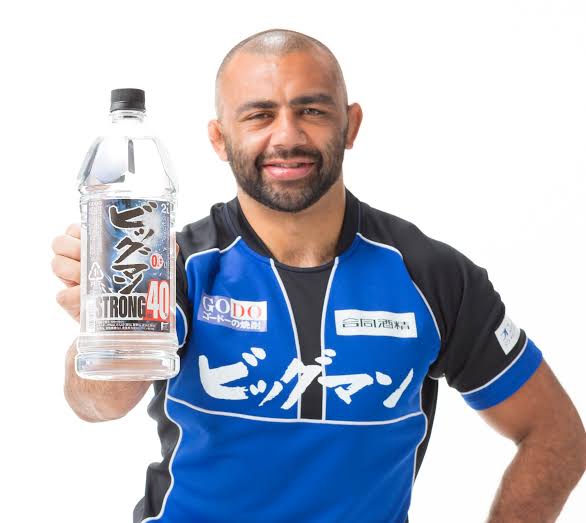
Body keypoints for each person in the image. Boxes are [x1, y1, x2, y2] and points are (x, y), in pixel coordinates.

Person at [51, 29, 585, 523]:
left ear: (350, 125)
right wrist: (105, 321)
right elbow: (98, 404)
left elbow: (557, 436)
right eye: (259, 115)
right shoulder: (176, 268)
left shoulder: (431, 275)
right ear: (219, 138)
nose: (287, 136)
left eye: (311, 110)